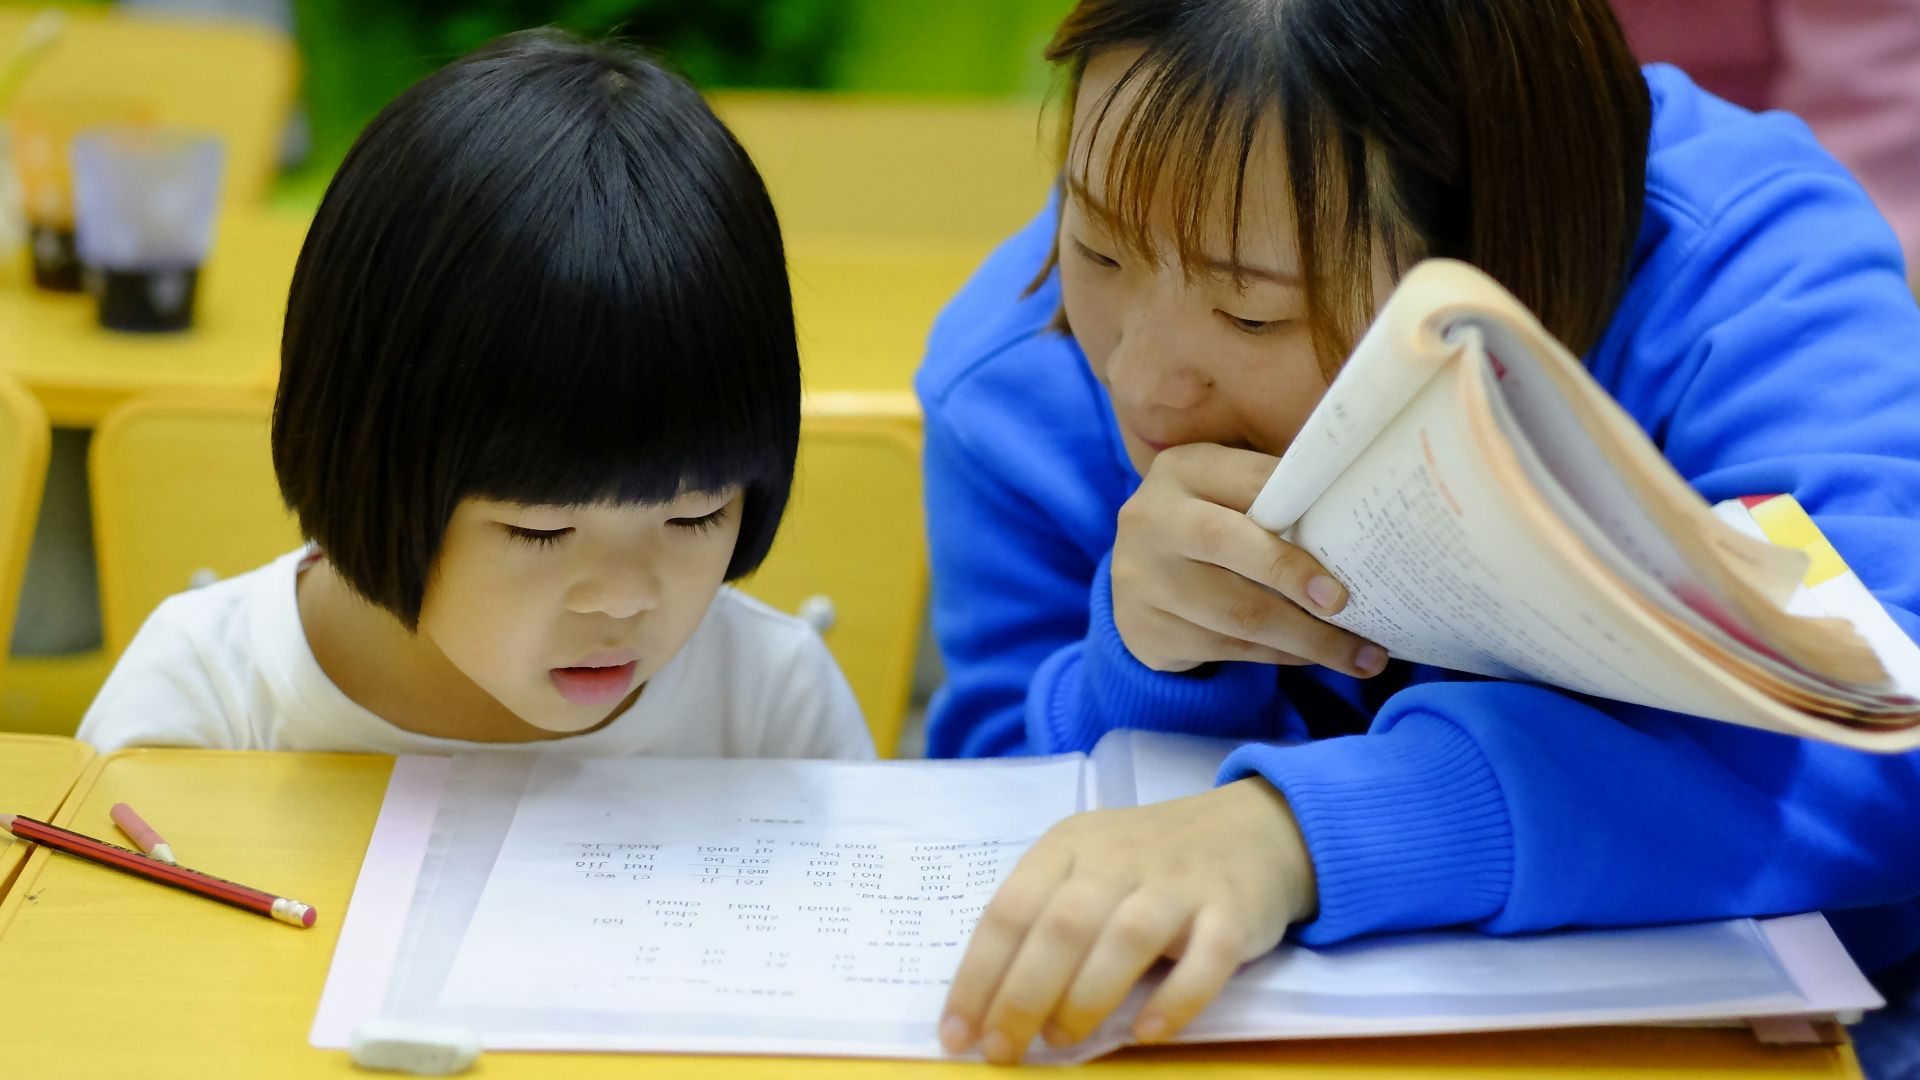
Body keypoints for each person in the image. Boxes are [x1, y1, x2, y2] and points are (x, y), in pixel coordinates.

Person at [916, 0, 1920, 1065]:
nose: (1144, 381)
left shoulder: (1742, 275)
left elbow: (1881, 732)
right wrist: (1149, 669)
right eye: (1097, 247)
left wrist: (1299, 832)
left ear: (1495, 249)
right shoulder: (1012, 383)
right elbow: (985, 830)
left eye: (1255, 314)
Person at [77, 30, 872, 762]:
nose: (625, 598)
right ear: (368, 458)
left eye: (698, 517)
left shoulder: (773, 706)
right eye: (540, 529)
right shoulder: (206, 703)